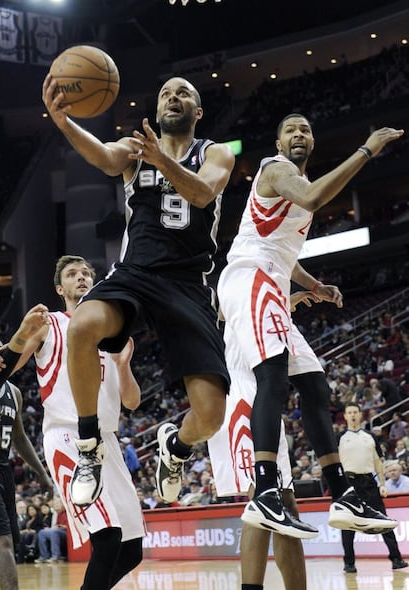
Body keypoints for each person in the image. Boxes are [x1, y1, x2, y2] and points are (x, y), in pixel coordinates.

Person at [41, 74, 235, 508]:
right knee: (81, 328)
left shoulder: (215, 152)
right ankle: (88, 447)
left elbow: (202, 194)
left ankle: (177, 448)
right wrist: (65, 123)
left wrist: (162, 162)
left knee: (210, 416)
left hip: (188, 283)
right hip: (137, 272)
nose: (173, 97)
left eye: (183, 93)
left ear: (197, 111)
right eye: (165, 91)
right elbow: (105, 158)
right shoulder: (135, 150)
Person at [217, 113, 403, 537]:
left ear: (313, 142)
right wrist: (368, 148)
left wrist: (313, 283)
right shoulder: (275, 169)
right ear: (279, 144)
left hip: (272, 281)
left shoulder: (294, 185)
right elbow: (316, 197)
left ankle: (341, 493)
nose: (299, 134)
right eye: (290, 130)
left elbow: (284, 250)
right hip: (250, 277)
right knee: (274, 379)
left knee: (316, 384)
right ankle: (265, 491)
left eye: (305, 130)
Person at [7, 255, 145, 590]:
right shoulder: (50, 324)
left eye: (86, 273)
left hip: (108, 440)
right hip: (69, 437)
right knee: (108, 537)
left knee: (132, 550)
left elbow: (132, 401)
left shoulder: (111, 332)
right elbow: (7, 367)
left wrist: (123, 364)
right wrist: (20, 334)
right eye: (72, 274)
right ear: (60, 288)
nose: (81, 277)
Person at [208, 291, 322, 589]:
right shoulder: (239, 288)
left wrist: (286, 301)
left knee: (285, 506)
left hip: (262, 403)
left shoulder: (268, 311)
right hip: (243, 399)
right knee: (262, 502)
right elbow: (223, 306)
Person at [0, 349, 53, 590]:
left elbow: (19, 437)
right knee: (2, 542)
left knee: (9, 542)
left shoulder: (14, 392)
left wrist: (41, 473)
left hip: (3, 470)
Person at [338, 402, 407, 573]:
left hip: (369, 483)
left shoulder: (370, 436)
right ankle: (349, 563)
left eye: (355, 412)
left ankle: (396, 559)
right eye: (350, 412)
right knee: (347, 525)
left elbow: (378, 462)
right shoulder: (338, 437)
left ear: (360, 415)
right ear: (345, 416)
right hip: (348, 483)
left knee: (383, 521)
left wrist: (382, 484)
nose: (353, 415)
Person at [35, 497, 68, 563]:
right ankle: (44, 556)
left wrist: (63, 526)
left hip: (66, 532)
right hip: (58, 530)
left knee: (54, 531)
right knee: (42, 532)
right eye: (55, 504)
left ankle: (56, 556)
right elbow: (56, 525)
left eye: (58, 504)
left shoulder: (68, 512)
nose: (56, 506)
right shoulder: (58, 514)